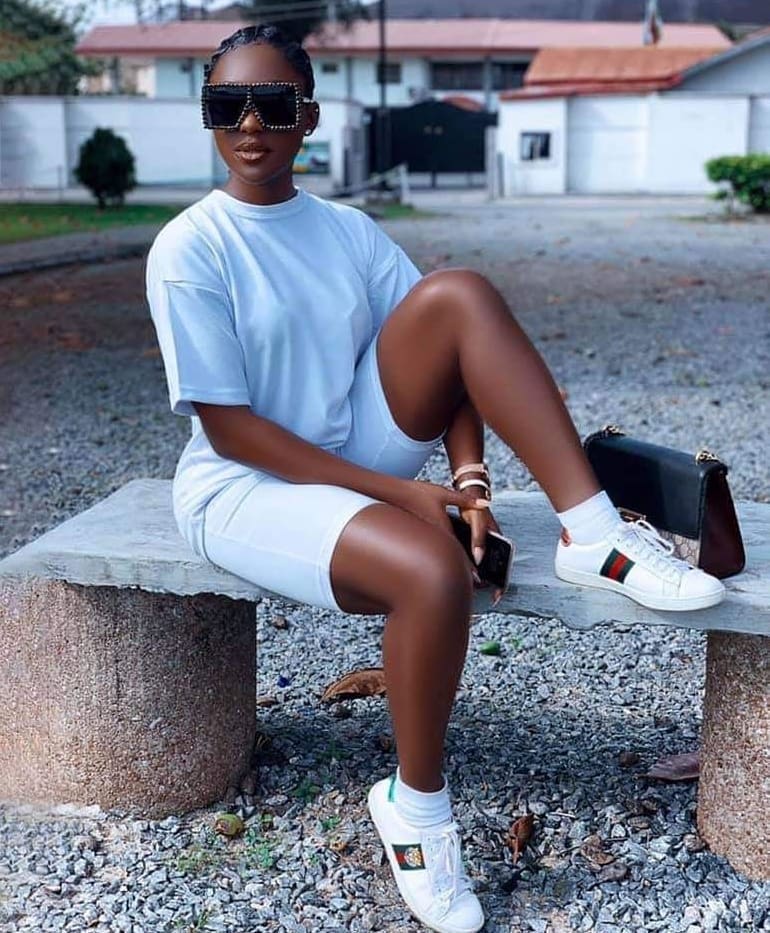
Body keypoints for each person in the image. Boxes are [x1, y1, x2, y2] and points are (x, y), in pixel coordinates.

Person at [145, 24, 725, 933]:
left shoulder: (346, 229)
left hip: (351, 452)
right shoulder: (191, 247)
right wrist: (408, 497)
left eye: (274, 104)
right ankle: (414, 809)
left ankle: (593, 532)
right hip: (245, 485)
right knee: (430, 571)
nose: (251, 123)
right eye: (229, 104)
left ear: (309, 116)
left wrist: (470, 480)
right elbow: (231, 428)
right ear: (209, 116)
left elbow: (454, 364)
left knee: (460, 295)